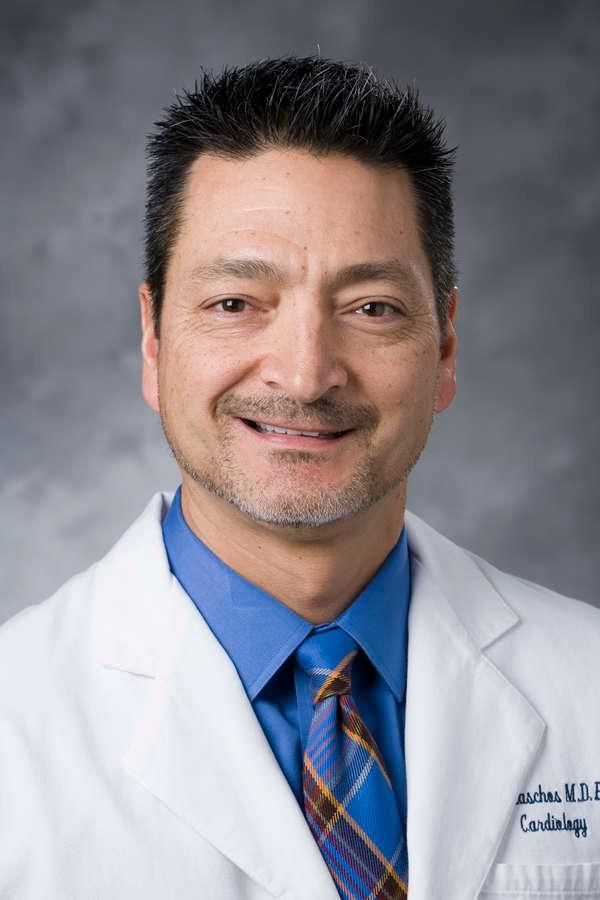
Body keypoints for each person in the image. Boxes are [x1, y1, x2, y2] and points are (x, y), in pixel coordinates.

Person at [1, 56, 599, 900]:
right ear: (154, 339)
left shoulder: (587, 685)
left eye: (372, 309)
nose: (306, 374)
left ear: (445, 348)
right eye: (235, 304)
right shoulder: (16, 721)